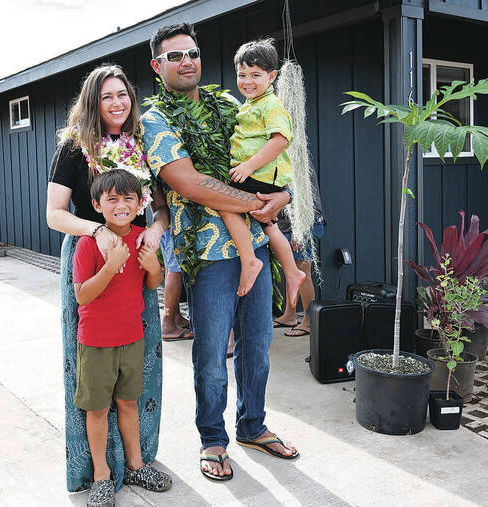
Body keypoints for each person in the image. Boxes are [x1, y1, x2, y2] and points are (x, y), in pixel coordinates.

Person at [141, 22, 298, 482]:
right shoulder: (155, 118)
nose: (187, 61)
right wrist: (263, 204)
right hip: (208, 252)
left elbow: (272, 153)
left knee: (259, 347)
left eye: (192, 52)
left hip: (256, 242)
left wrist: (283, 195)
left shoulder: (231, 102)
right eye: (175, 56)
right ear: (158, 65)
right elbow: (189, 183)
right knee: (211, 355)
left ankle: (253, 425)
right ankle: (213, 438)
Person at [46, 64, 169, 494]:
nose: (117, 103)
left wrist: (155, 228)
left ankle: (138, 461)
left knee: (139, 367)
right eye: (107, 96)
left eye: (123, 95)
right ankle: (95, 473)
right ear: (93, 102)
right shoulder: (75, 147)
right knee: (90, 373)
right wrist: (96, 231)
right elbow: (55, 213)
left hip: (139, 256)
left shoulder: (142, 143)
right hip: (88, 252)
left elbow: (160, 204)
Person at [73, 170, 172, 506]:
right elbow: (83, 296)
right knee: (98, 409)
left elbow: (152, 285)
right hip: (96, 342)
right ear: (97, 205)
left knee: (129, 403)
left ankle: (136, 465)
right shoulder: (88, 244)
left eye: (128, 198)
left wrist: (154, 265)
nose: (120, 205)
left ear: (140, 202)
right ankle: (101, 475)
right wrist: (110, 263)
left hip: (132, 338)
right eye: (111, 199)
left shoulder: (144, 238)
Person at [219, 38, 305, 301]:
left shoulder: (271, 104)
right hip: (258, 177)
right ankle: (292, 271)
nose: (247, 81)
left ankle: (250, 260)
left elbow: (280, 140)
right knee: (270, 227)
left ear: (272, 77)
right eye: (242, 74)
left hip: (259, 176)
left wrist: (247, 166)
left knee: (224, 203)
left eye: (255, 75)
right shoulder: (250, 103)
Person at [274, 169, 326, 337]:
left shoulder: (295, 156)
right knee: (291, 270)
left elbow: (303, 195)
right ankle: (290, 315)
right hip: (287, 223)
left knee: (303, 273)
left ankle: (308, 321)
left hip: (301, 223)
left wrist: (299, 229)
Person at [160, 228, 193, 341]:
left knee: (170, 267)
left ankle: (175, 317)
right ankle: (168, 323)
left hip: (166, 221)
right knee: (175, 269)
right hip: (176, 223)